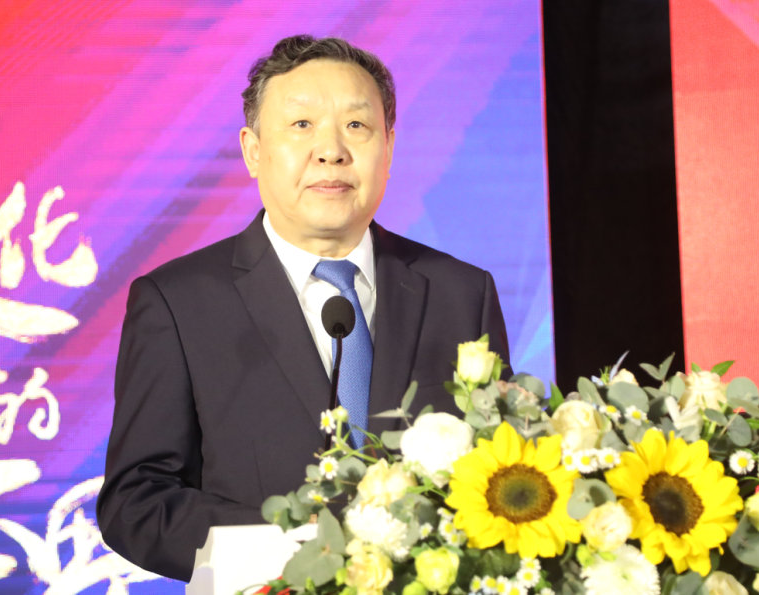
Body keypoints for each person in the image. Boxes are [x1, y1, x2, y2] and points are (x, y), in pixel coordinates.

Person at [97, 35, 509, 581]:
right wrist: (296, 547)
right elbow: (137, 504)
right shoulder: (178, 302)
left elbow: (500, 475)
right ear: (253, 151)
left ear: (389, 146)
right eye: (301, 125)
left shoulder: (463, 293)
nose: (331, 150)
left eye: (356, 125)